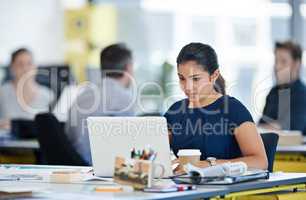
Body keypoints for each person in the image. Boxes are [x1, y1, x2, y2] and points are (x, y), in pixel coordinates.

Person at [164, 43, 267, 172]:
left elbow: (260, 161)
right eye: (182, 78)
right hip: (182, 188)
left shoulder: (233, 109)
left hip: (225, 189)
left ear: (214, 75)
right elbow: (154, 153)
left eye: (195, 79)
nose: (187, 87)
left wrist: (210, 164)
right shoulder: (175, 112)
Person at [66, 43, 136, 165]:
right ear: (129, 68)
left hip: (74, 166)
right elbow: (129, 146)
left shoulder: (82, 95)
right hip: (103, 168)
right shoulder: (125, 98)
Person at [258, 41, 306, 135]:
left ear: (297, 64)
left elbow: (293, 129)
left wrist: (276, 126)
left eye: (283, 61)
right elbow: (259, 126)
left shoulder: (302, 94)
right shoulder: (273, 92)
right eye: (276, 61)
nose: (277, 66)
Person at [0, 48, 54, 129]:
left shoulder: (47, 95)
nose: (25, 69)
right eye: (20, 64)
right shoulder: (2, 92)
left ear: (35, 67)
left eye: (29, 63)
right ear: (12, 68)